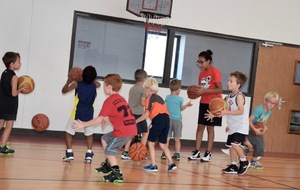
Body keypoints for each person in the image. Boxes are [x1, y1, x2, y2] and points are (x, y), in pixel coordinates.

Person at [72, 73, 137, 183]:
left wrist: (83, 124)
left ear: (109, 86)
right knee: (104, 139)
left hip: (123, 131)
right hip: (130, 128)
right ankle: (108, 165)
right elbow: (119, 113)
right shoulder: (121, 98)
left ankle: (117, 174)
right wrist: (107, 120)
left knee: (110, 151)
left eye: (104, 85)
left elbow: (98, 119)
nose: (103, 88)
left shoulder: (109, 100)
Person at [136, 77, 177, 172]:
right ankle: (171, 163)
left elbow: (147, 114)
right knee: (163, 145)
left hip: (159, 119)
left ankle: (153, 165)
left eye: (144, 89)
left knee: (150, 142)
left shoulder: (149, 99)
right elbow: (160, 113)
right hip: (166, 120)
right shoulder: (159, 98)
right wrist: (152, 123)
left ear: (147, 89)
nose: (144, 92)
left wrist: (136, 121)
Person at [188, 49, 223, 162]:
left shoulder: (215, 72)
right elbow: (201, 90)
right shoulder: (201, 73)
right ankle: (197, 152)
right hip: (203, 102)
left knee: (210, 128)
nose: (200, 64)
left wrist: (204, 91)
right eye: (198, 62)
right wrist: (195, 94)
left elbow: (220, 89)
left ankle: (208, 153)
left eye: (202, 62)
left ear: (208, 61)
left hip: (214, 104)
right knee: (200, 127)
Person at [62, 65, 100, 163]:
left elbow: (64, 91)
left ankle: (69, 153)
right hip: (89, 114)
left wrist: (69, 81)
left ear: (83, 75)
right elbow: (98, 83)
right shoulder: (95, 85)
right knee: (89, 135)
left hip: (77, 113)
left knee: (68, 133)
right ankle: (89, 155)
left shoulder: (77, 84)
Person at [0, 52, 27, 155]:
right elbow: (14, 93)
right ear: (12, 64)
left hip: (2, 102)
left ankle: (2, 145)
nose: (20, 64)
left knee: (1, 123)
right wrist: (21, 89)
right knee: (9, 125)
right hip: (10, 104)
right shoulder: (14, 77)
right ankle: (2, 147)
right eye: (18, 62)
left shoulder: (4, 73)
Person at [161, 79, 192, 161]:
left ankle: (164, 152)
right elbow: (181, 109)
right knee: (177, 138)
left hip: (168, 119)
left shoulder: (167, 98)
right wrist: (187, 105)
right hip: (177, 120)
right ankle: (177, 153)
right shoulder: (180, 99)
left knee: (167, 137)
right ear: (178, 89)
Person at [247, 91, 279, 169]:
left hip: (258, 131)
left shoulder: (269, 112)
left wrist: (265, 128)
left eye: (274, 103)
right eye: (270, 102)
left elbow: (264, 122)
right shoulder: (259, 109)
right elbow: (249, 120)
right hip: (251, 131)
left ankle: (245, 148)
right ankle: (252, 162)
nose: (271, 105)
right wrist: (255, 129)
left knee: (261, 148)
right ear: (265, 100)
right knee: (258, 146)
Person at [121, 69, 148, 160]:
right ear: (144, 79)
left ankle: (125, 152)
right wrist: (147, 99)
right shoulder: (143, 89)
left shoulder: (132, 88)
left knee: (131, 133)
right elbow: (142, 103)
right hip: (138, 114)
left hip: (130, 113)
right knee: (145, 133)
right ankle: (142, 151)